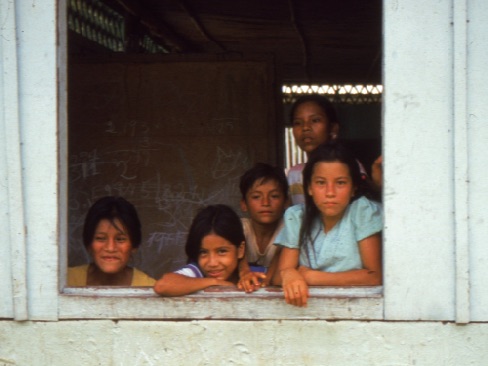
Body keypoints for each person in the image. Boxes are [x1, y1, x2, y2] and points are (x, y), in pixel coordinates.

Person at [273, 142, 383, 307]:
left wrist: (313, 277)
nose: (330, 193)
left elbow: (374, 276)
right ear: (309, 187)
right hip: (304, 311)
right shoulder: (298, 217)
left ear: (353, 188)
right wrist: (289, 273)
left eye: (340, 183)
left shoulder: (361, 212)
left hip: (355, 308)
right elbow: (278, 277)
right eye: (321, 183)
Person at [287, 94, 382, 205]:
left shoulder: (349, 167)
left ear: (333, 129)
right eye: (298, 123)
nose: (305, 127)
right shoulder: (294, 174)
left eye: (315, 120)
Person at [153, 204, 247, 296]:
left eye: (222, 251)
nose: (212, 263)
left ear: (240, 250)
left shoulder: (252, 274)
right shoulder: (197, 272)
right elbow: (162, 286)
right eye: (203, 252)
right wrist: (215, 282)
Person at [68, 196, 155, 286]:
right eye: (101, 238)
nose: (110, 248)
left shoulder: (148, 287)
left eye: (120, 239)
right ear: (89, 244)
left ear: (134, 245)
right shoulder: (65, 280)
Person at [237, 163, 289, 289]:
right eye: (256, 197)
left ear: (286, 202)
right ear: (244, 204)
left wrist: (266, 282)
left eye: (274, 196)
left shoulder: (289, 229)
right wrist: (244, 272)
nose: (265, 203)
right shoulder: (239, 229)